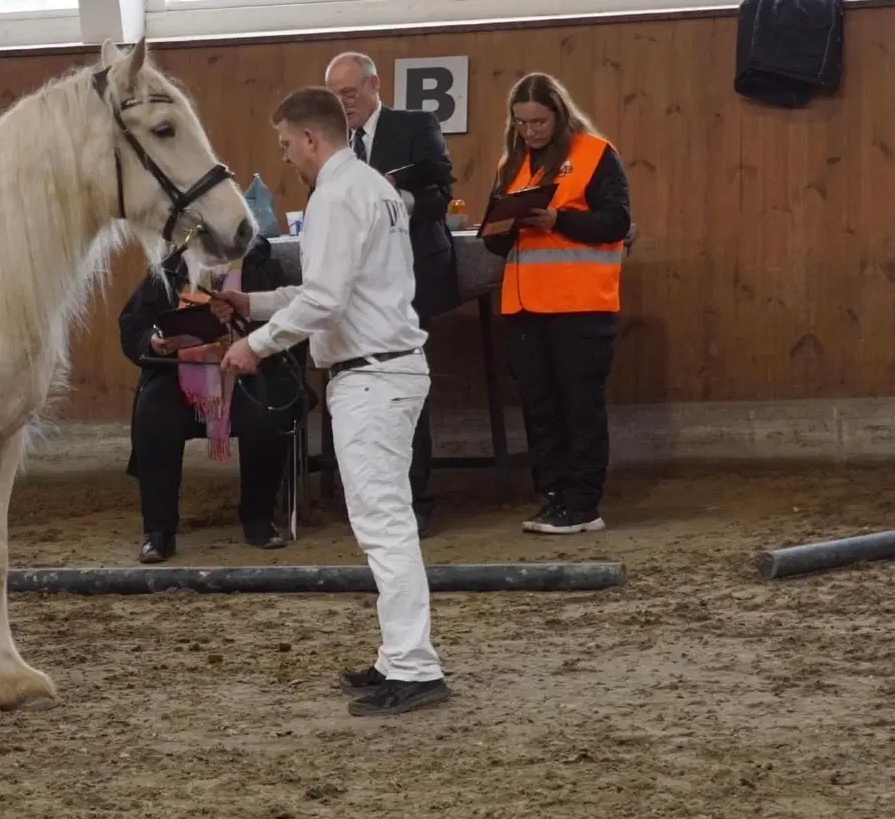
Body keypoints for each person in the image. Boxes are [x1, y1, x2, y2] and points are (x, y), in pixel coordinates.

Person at [216, 87, 449, 718]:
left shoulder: (338, 197)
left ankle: (414, 665)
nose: (286, 157)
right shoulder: (367, 187)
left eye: (287, 145)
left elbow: (326, 303)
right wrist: (255, 306)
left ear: (311, 138)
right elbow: (326, 291)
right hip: (381, 369)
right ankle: (398, 653)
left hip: (371, 375)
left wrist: (253, 347)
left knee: (383, 523)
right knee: (383, 520)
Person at [481, 73, 630, 535]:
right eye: (522, 122)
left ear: (559, 114)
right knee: (539, 408)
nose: (531, 131)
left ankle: (584, 504)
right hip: (525, 306)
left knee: (579, 407)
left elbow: (616, 222)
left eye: (539, 121)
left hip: (580, 305)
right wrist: (501, 227)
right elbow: (495, 244)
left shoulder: (596, 153)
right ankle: (552, 497)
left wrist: (556, 219)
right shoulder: (511, 164)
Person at [324, 52, 458, 535]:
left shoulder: (415, 123)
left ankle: (414, 497)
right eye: (335, 97)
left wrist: (393, 204)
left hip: (413, 277)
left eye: (350, 93)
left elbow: (441, 188)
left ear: (374, 84)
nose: (344, 104)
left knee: (402, 388)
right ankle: (365, 495)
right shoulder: (335, 144)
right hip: (357, 285)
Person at [118, 236, 304, 562]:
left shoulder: (262, 264)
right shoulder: (170, 267)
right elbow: (134, 323)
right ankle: (159, 530)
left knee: (265, 413)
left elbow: (290, 322)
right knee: (154, 413)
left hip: (248, 371)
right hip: (180, 373)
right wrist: (154, 342)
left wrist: (245, 336)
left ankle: (259, 518)